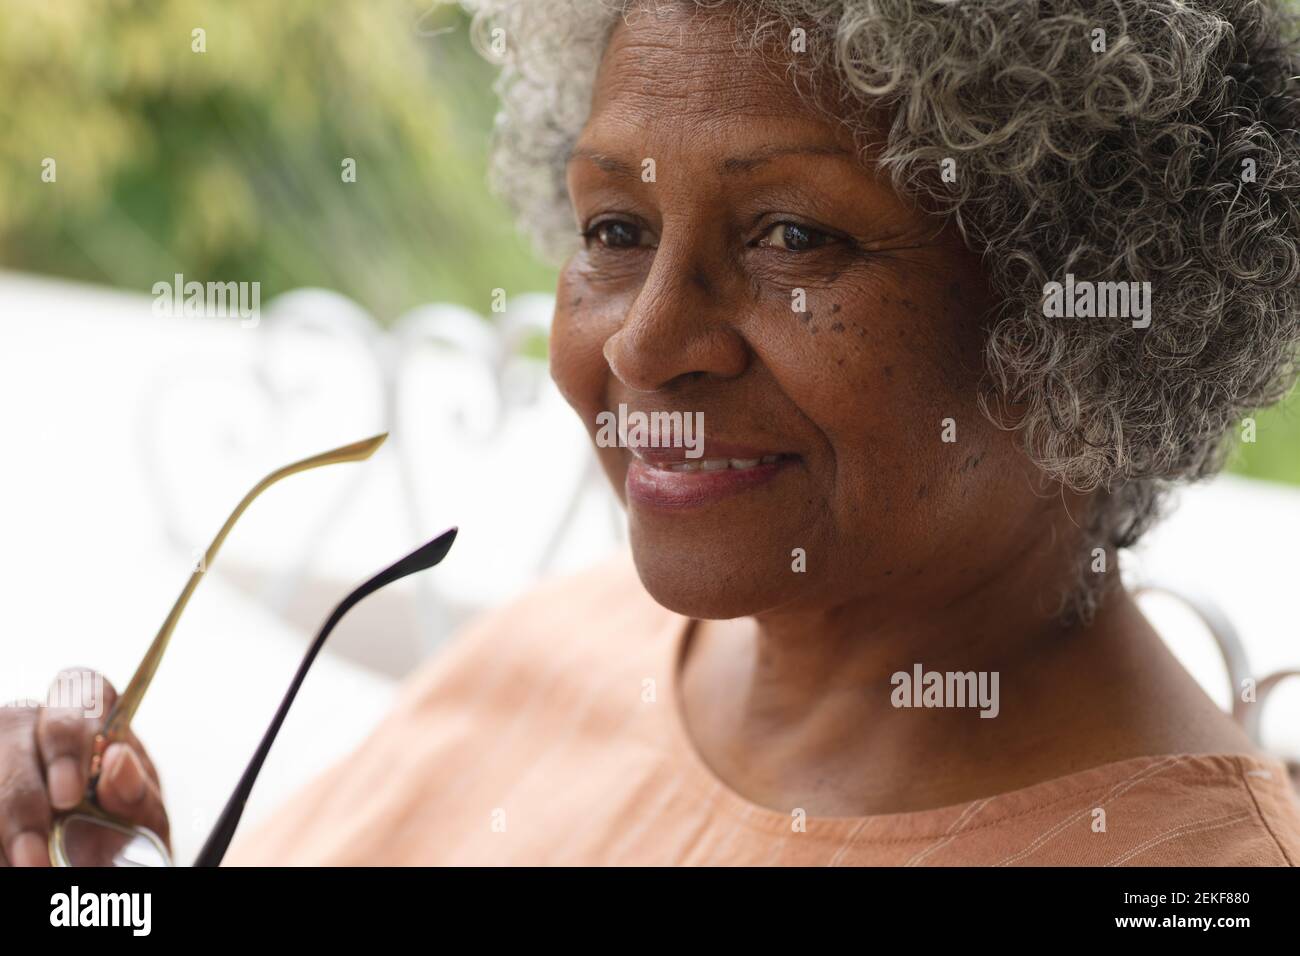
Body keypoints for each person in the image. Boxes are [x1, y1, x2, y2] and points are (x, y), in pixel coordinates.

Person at [5, 0, 1300, 866]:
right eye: (614, 229)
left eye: (794, 235)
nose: (639, 344)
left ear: (1094, 302)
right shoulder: (550, 651)